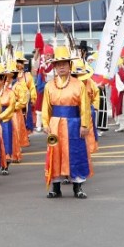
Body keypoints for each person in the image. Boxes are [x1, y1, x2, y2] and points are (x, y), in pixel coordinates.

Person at [43, 47, 94, 199]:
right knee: (54, 153)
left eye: (64, 63)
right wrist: (45, 123)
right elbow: (46, 107)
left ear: (69, 65)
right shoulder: (49, 85)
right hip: (55, 125)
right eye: (58, 64)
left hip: (73, 124)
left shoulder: (78, 84)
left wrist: (84, 125)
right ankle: (56, 187)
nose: (61, 66)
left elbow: (84, 106)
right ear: (54, 66)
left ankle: (77, 186)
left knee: (75, 153)